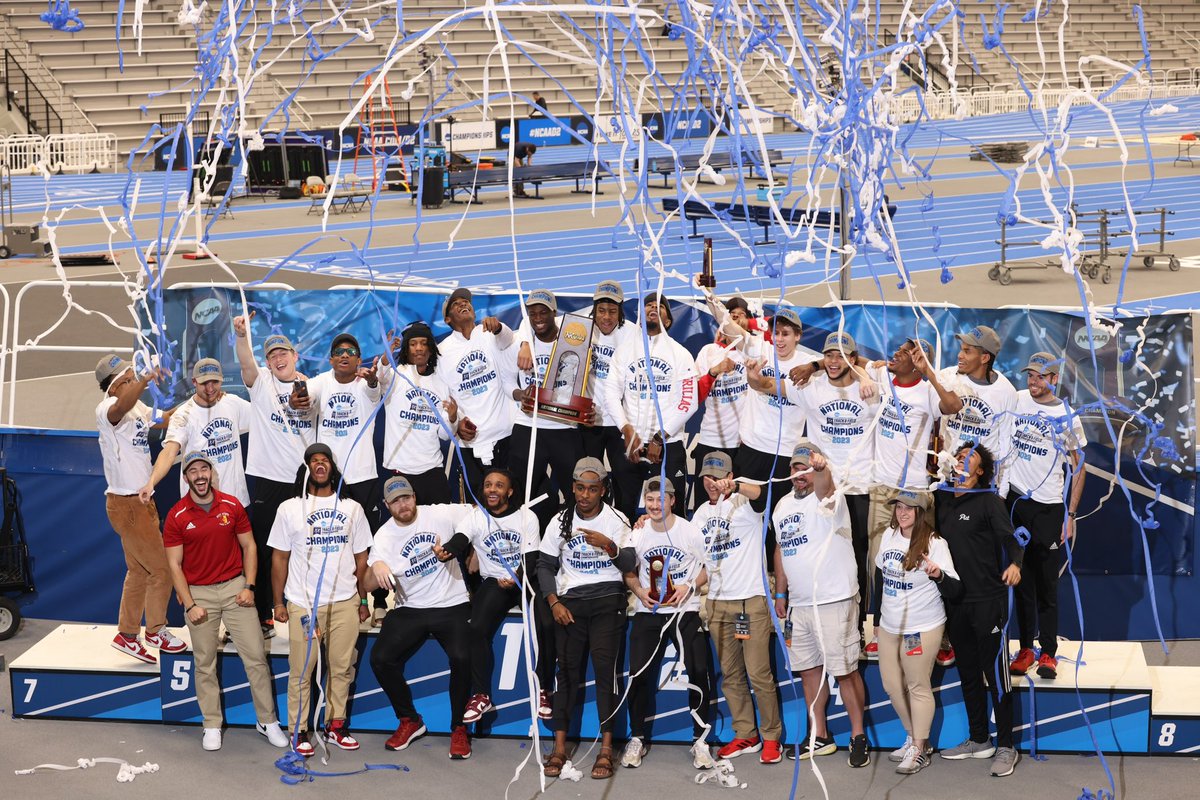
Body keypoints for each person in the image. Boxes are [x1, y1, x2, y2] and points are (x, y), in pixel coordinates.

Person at [162, 451, 289, 752]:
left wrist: (250, 587)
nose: (200, 475)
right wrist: (190, 604)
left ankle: (267, 721)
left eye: (204, 469)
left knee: (256, 657)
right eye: (193, 471)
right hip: (200, 594)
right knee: (204, 662)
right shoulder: (177, 515)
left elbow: (250, 546)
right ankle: (211, 724)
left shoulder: (231, 505)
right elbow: (174, 565)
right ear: (186, 478)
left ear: (211, 473)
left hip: (236, 591)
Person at [267, 443, 371, 757]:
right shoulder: (289, 508)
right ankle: (299, 729)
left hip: (345, 602)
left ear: (332, 469)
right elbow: (279, 559)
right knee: (302, 670)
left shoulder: (352, 508)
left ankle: (335, 726)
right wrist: (279, 603)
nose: (320, 464)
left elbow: (362, 557)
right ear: (308, 468)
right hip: (303, 604)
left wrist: (364, 601)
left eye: (325, 460)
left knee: (340, 667)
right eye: (315, 460)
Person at [772, 441, 871, 767]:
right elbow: (781, 549)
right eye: (795, 469)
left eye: (806, 469)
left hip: (834, 599)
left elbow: (826, 486)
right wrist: (781, 593)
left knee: (845, 672)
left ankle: (859, 736)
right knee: (809, 671)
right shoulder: (782, 505)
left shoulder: (831, 496)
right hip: (800, 605)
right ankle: (821, 735)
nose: (800, 475)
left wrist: (822, 468)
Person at [364, 475, 475, 760]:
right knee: (379, 659)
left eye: (407, 497)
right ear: (387, 506)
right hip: (410, 607)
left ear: (414, 496)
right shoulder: (384, 535)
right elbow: (365, 585)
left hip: (451, 602)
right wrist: (375, 565)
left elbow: (476, 515)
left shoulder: (438, 512)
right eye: (396, 501)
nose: (404, 505)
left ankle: (459, 727)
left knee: (463, 657)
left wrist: (461, 545)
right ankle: (409, 720)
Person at [538, 457, 634, 780]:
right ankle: (560, 747)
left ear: (603, 490)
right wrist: (553, 603)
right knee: (565, 674)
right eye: (580, 488)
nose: (585, 495)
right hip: (571, 604)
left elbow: (630, 562)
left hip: (608, 599)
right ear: (574, 488)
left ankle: (606, 749)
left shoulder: (616, 519)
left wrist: (607, 545)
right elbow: (544, 566)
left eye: (592, 489)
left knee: (606, 675)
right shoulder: (559, 521)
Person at [867, 338, 960, 661]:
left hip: (917, 490)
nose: (895, 355)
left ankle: (940, 636)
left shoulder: (927, 390)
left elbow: (954, 406)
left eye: (905, 353)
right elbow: (851, 361)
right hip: (882, 488)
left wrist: (930, 373)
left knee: (924, 563)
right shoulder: (880, 376)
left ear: (918, 361)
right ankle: (880, 631)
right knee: (879, 563)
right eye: (897, 350)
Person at [936, 442, 1023, 778]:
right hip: (956, 604)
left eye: (968, 456)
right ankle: (978, 739)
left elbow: (1012, 539)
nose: (961, 459)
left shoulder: (988, 500)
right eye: (958, 456)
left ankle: (1006, 746)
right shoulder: (942, 501)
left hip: (989, 603)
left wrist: (1015, 563)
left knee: (997, 678)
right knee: (969, 674)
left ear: (982, 470)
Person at [690, 451, 783, 764]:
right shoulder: (700, 514)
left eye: (719, 477)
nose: (713, 483)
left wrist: (739, 486)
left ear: (729, 477)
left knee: (758, 673)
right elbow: (704, 562)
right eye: (708, 477)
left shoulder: (747, 503)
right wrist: (690, 586)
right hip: (717, 603)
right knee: (730, 675)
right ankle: (746, 734)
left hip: (749, 601)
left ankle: (771, 737)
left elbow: (766, 494)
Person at [787, 332, 879, 639]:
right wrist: (815, 366)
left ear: (853, 359)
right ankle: (828, 621)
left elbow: (878, 364)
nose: (833, 361)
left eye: (841, 355)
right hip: (826, 488)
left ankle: (860, 627)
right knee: (824, 552)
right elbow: (765, 385)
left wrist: (861, 371)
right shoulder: (812, 388)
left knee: (859, 557)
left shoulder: (870, 387)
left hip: (861, 487)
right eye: (829, 355)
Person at [95, 354, 186, 663]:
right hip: (127, 504)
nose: (135, 382)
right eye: (130, 378)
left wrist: (195, 402)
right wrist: (145, 379)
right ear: (118, 382)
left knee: (139, 571)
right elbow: (120, 408)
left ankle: (127, 634)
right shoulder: (107, 408)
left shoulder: (137, 406)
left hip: (141, 502)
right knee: (162, 569)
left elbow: (164, 418)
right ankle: (155, 630)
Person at [449, 467, 554, 725]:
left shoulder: (526, 517)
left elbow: (531, 558)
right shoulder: (476, 517)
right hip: (495, 582)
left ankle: (544, 690)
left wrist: (517, 575)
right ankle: (481, 694)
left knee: (547, 623)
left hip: (526, 581)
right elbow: (459, 540)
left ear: (509, 491)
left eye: (498, 485)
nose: (492, 490)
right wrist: (446, 551)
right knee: (476, 628)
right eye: (487, 485)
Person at [622, 478, 714, 770]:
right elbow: (628, 570)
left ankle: (700, 740)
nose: (654, 505)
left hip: (685, 610)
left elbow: (710, 566)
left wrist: (689, 586)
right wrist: (638, 593)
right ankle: (637, 737)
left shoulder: (688, 531)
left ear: (672, 500)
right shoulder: (637, 533)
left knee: (699, 672)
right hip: (649, 612)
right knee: (637, 674)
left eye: (660, 499)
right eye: (649, 499)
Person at [233, 317, 317, 634]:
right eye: (272, 356)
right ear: (268, 362)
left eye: (284, 353)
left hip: (304, 482)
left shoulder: (313, 386)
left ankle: (306, 611)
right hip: (268, 480)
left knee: (306, 548)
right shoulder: (262, 385)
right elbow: (245, 364)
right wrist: (242, 336)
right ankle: (264, 614)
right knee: (267, 549)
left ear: (295, 356)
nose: (279, 359)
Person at [1006, 352, 1087, 680]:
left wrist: (1071, 514)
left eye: (1041, 376)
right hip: (1015, 502)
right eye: (1030, 375)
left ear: (1054, 379)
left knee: (1046, 586)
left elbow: (1079, 466)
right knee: (1020, 582)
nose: (1033, 382)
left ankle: (1049, 652)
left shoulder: (1068, 416)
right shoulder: (1017, 400)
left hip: (1049, 507)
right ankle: (1025, 648)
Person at [871, 490, 960, 775]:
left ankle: (919, 748)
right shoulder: (889, 536)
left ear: (921, 513)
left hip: (921, 628)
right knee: (891, 685)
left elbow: (956, 588)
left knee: (917, 685)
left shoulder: (936, 544)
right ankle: (913, 736)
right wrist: (875, 618)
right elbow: (879, 575)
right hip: (889, 625)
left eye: (909, 508)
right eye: (898, 507)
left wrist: (937, 574)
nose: (902, 512)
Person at [603, 293, 698, 521]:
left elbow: (689, 402)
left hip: (667, 445)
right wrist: (626, 429)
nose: (652, 308)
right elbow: (611, 394)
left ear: (667, 320)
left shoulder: (681, 354)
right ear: (640, 317)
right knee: (623, 508)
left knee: (671, 511)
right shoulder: (624, 352)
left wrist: (658, 438)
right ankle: (624, 555)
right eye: (647, 306)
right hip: (630, 444)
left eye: (659, 306)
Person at [509, 288, 587, 526]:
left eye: (544, 312)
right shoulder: (519, 341)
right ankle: (530, 545)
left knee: (576, 492)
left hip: (564, 426)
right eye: (533, 314)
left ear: (555, 312)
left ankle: (576, 543)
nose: (539, 318)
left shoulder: (573, 338)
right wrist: (520, 394)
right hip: (528, 427)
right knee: (522, 491)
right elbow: (506, 380)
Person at [139, 358, 252, 509]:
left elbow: (264, 418)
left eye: (215, 382)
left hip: (236, 501)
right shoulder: (183, 415)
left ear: (222, 380)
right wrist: (151, 483)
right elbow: (168, 453)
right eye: (204, 383)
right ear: (194, 382)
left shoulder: (233, 403)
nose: (210, 388)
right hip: (202, 505)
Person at [436, 288, 517, 495]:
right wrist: (458, 422)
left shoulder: (488, 332)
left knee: (510, 501)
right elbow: (445, 396)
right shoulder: (442, 352)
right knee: (479, 505)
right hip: (471, 442)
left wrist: (498, 327)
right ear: (447, 319)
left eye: (466, 301)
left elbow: (508, 340)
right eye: (456, 304)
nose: (463, 304)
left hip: (505, 435)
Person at [307, 332, 384, 527]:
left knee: (369, 540)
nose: (344, 355)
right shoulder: (321, 381)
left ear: (358, 360)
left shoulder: (366, 383)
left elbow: (373, 391)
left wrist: (373, 381)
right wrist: (299, 399)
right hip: (331, 478)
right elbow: (307, 395)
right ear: (331, 360)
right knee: (335, 538)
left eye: (350, 351)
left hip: (364, 476)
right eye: (339, 352)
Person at [379, 322, 457, 505]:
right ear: (406, 349)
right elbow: (380, 378)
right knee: (405, 527)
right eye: (413, 344)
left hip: (432, 469)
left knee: (439, 527)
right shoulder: (397, 375)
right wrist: (386, 357)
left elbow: (444, 435)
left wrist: (453, 418)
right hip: (400, 470)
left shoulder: (441, 384)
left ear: (431, 348)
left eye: (424, 343)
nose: (419, 348)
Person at [741, 306, 809, 514]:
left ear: (797, 336)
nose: (779, 339)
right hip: (752, 448)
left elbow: (844, 363)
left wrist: (865, 377)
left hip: (784, 453)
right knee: (746, 513)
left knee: (778, 516)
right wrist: (708, 294)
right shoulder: (760, 350)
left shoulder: (808, 365)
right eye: (776, 333)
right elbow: (731, 328)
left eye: (786, 334)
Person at [691, 296, 756, 513]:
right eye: (731, 315)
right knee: (705, 506)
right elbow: (694, 397)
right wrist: (714, 371)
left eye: (742, 316)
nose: (736, 319)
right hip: (711, 440)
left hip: (742, 445)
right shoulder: (708, 352)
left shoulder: (754, 351)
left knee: (739, 509)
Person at [937, 325, 1017, 495]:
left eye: (967, 351)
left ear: (984, 358)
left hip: (979, 483)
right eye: (961, 349)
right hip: (945, 476)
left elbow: (1005, 442)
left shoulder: (1006, 391)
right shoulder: (947, 377)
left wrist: (1002, 490)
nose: (960, 355)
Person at [582, 280, 636, 511]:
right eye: (601, 311)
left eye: (612, 311)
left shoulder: (634, 333)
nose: (606, 317)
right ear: (594, 310)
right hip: (589, 421)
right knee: (589, 480)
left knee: (626, 481)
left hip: (620, 423)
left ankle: (626, 529)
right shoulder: (580, 327)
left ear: (620, 311)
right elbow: (533, 321)